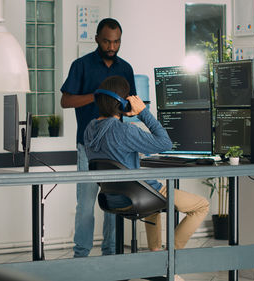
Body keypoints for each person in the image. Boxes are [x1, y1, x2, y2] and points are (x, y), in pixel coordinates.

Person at [84, 75, 209, 281]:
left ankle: (154, 260)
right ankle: (166, 259)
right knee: (201, 206)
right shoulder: (125, 131)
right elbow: (165, 143)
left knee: (153, 207)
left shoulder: (90, 130)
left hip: (112, 196)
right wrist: (143, 112)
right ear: (124, 103)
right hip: (140, 194)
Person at [60, 18, 136, 257]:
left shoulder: (126, 68)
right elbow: (66, 101)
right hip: (88, 146)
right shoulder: (81, 65)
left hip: (116, 147)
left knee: (114, 202)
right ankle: (81, 255)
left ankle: (111, 254)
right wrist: (97, 96)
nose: (112, 46)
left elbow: (130, 105)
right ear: (96, 39)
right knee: (86, 206)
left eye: (116, 42)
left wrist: (130, 108)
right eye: (107, 41)